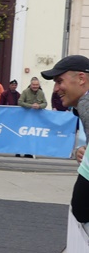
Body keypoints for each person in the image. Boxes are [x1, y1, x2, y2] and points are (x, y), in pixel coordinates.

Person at [42, 55, 89, 225]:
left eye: (59, 81)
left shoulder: (86, 103)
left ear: (81, 79)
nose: (56, 89)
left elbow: (82, 208)